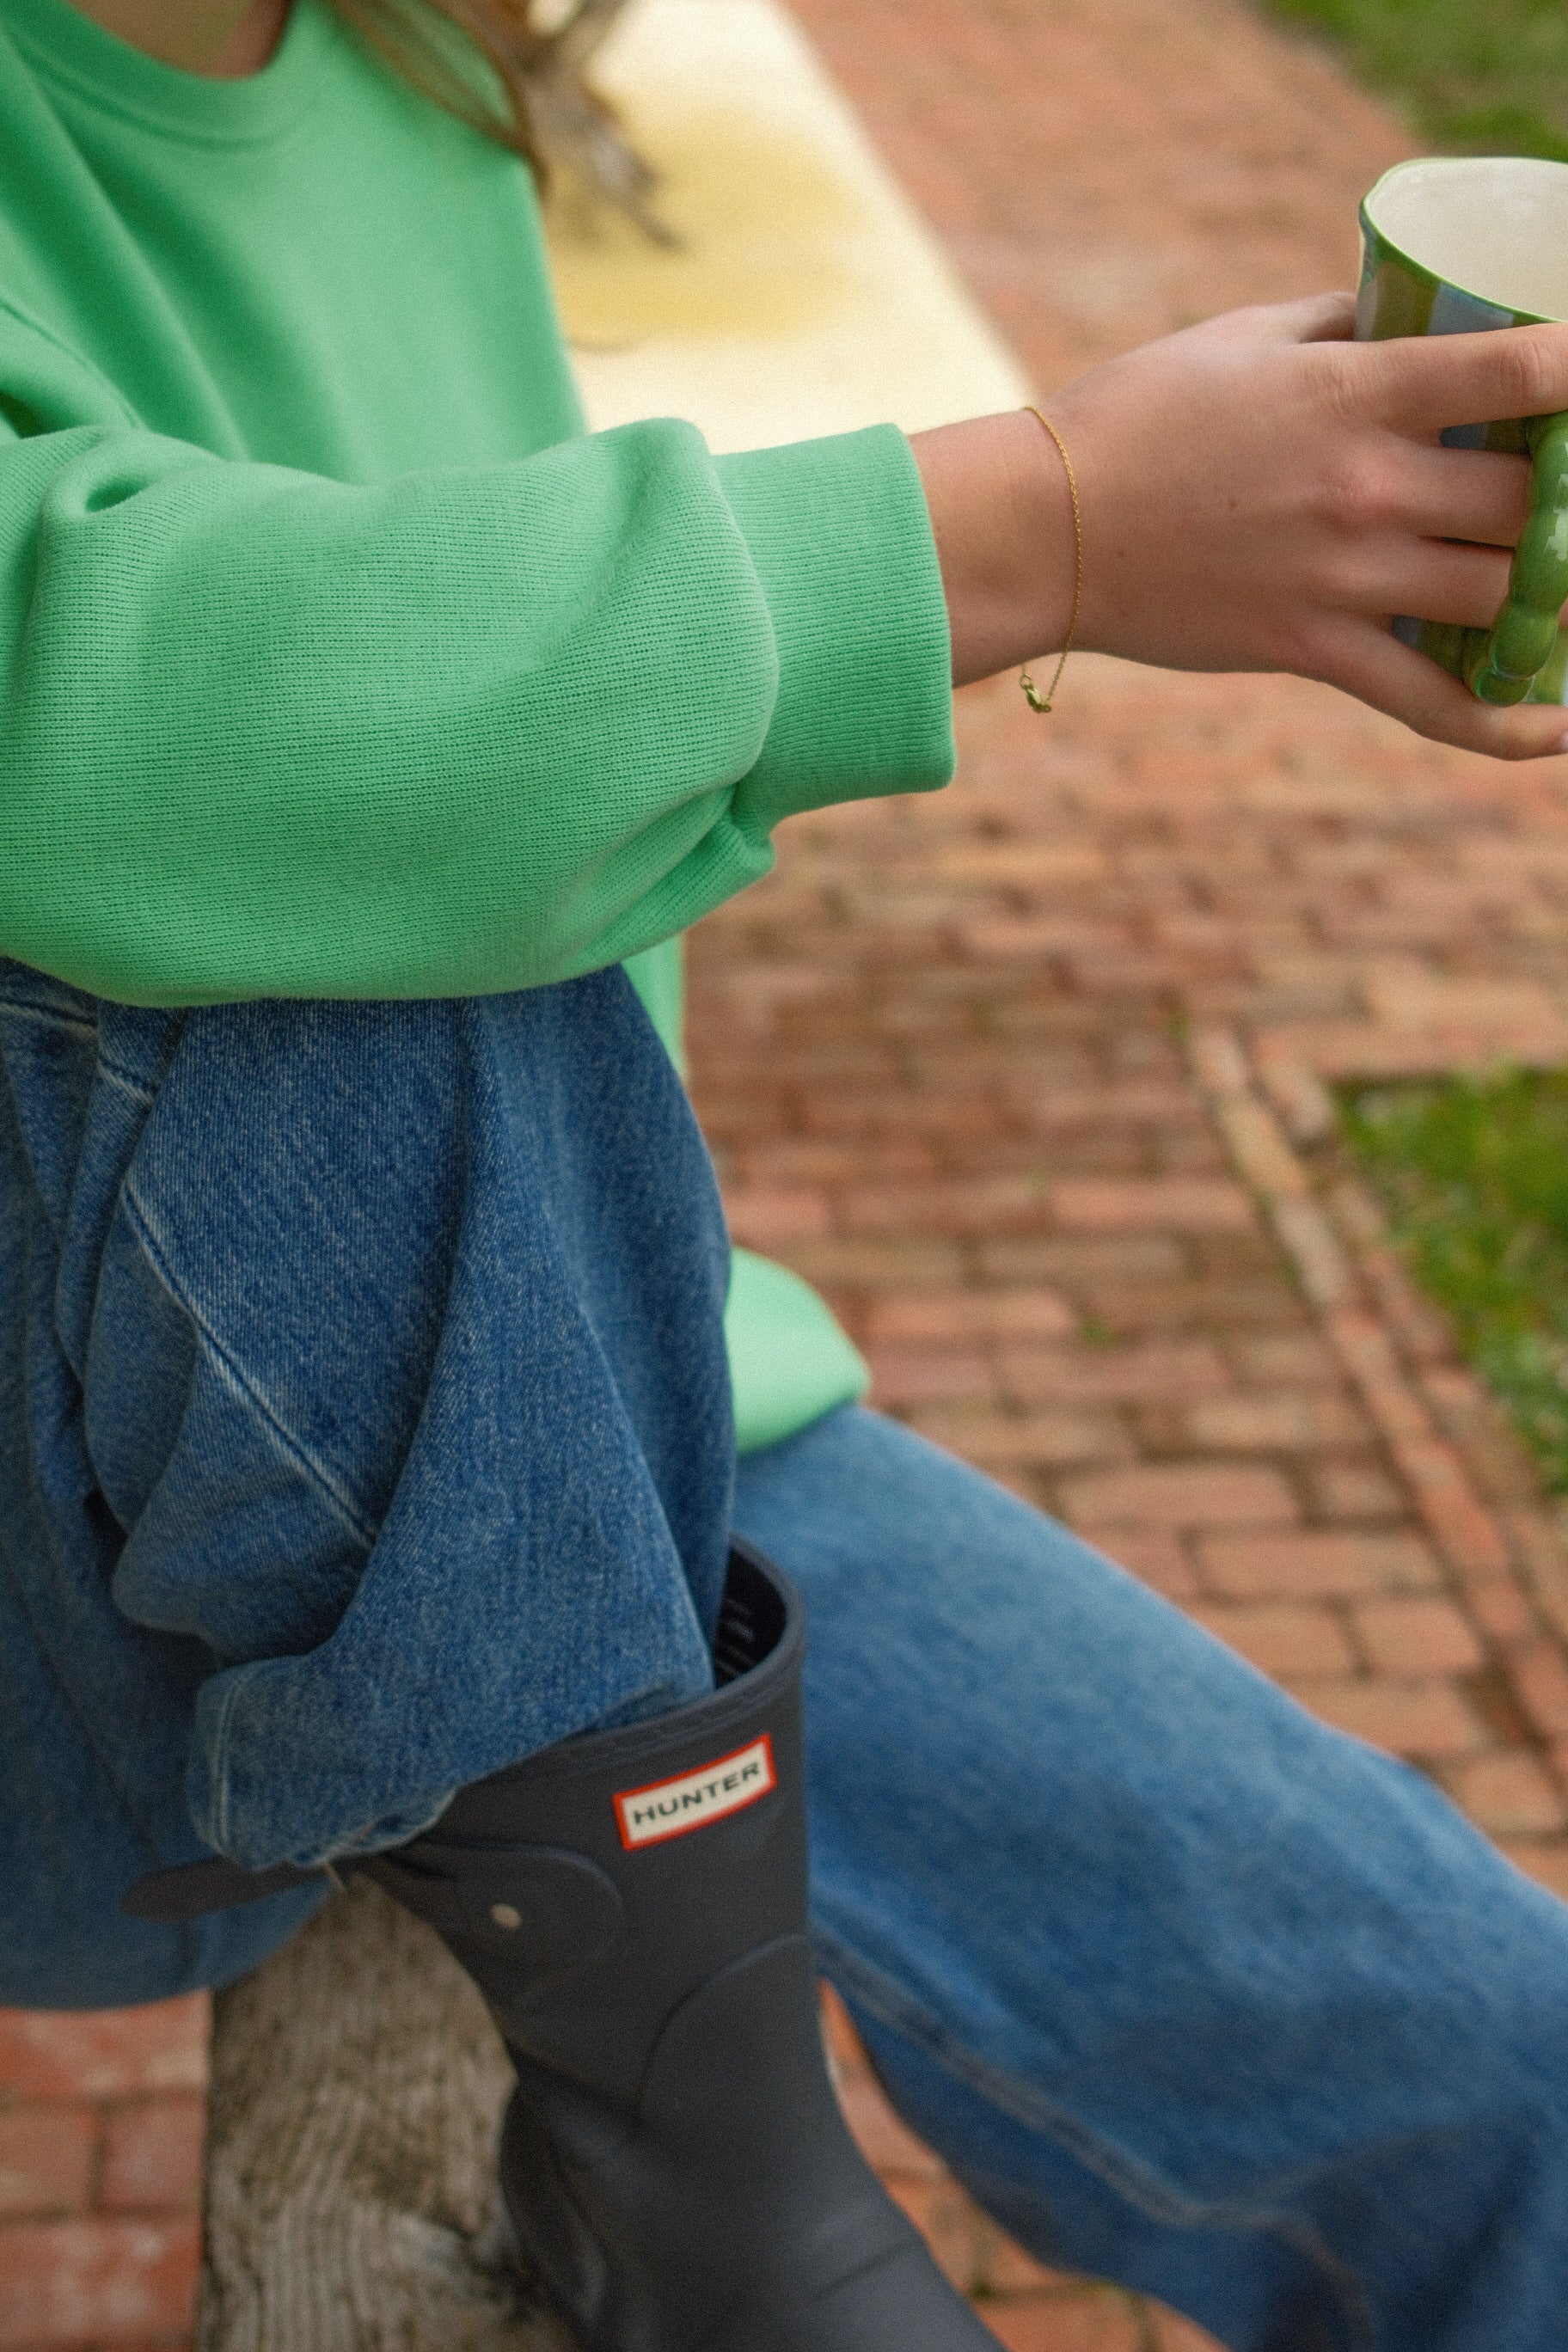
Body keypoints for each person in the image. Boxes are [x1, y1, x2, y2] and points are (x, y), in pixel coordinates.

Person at [2, 0, 1566, 2340]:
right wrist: (1050, 522)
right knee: (306, 865)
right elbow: (112, 715)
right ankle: (698, 2195)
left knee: (1501, 2064)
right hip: (80, 1624)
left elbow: (541, 808)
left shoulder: (416, 82)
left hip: (578, 1417)